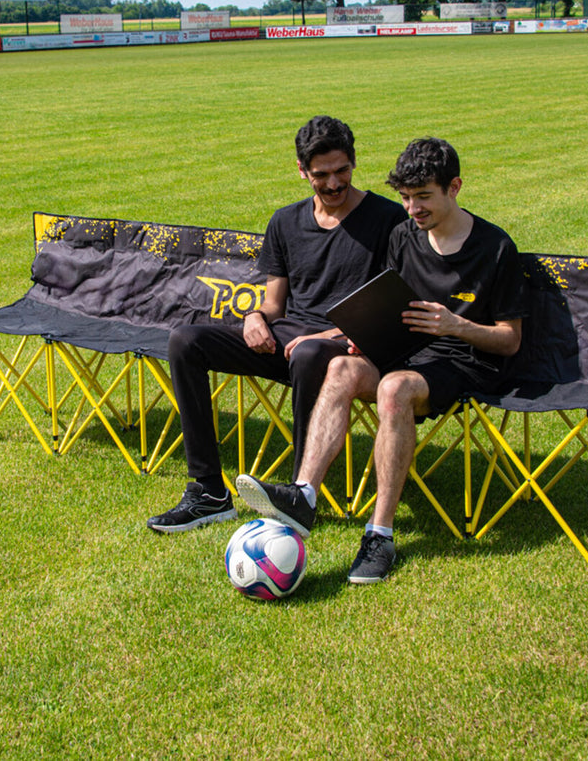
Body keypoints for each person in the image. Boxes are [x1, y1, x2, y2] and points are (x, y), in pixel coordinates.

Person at [237, 137, 527, 583]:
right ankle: (303, 495)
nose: (413, 209)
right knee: (341, 367)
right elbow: (390, 307)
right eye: (406, 198)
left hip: (465, 362)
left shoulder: (494, 247)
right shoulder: (403, 236)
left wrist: (456, 326)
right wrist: (364, 337)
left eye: (424, 197)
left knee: (394, 387)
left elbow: (509, 341)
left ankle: (380, 534)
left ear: (455, 187)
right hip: (407, 352)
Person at [146, 116, 408, 533]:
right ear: (302, 171)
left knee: (307, 352)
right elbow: (274, 303)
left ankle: (298, 495)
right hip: (288, 339)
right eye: (321, 175)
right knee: (185, 341)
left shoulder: (389, 219)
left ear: (354, 163)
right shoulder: (285, 221)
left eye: (342, 171)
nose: (334, 183)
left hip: (347, 346)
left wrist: (327, 334)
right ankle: (209, 491)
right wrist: (254, 318)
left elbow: (391, 307)